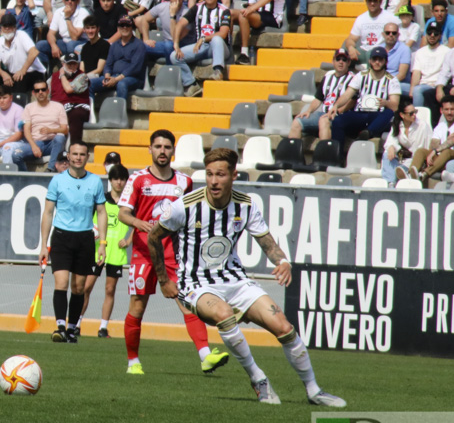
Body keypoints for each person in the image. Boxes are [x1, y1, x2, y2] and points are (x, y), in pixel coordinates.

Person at [150, 148, 346, 407]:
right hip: (196, 284)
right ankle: (258, 379)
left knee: (284, 328)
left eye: (220, 174)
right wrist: (164, 280)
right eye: (209, 174)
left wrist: (283, 261)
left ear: (233, 175)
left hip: (235, 280)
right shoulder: (184, 206)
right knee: (223, 314)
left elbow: (266, 242)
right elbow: (154, 237)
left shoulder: (245, 204)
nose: (214, 181)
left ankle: (313, 390)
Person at [118, 130, 227, 375]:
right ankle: (133, 362)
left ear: (173, 151)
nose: (162, 151)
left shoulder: (184, 182)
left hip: (174, 255)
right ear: (150, 149)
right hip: (144, 253)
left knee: (188, 303)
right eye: (158, 146)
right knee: (137, 306)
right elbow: (123, 213)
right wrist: (138, 223)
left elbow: (192, 214)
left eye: (167, 147)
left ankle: (205, 356)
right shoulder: (138, 179)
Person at [38, 141, 108, 342]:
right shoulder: (57, 181)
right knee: (61, 282)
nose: (78, 157)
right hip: (61, 237)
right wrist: (44, 244)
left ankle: (71, 329)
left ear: (87, 157)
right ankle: (60, 326)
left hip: (85, 238)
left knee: (78, 288)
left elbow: (101, 213)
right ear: (68, 156)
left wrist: (102, 243)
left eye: (82, 154)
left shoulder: (95, 182)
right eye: (74, 154)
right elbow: (48, 212)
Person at [84, 160, 131, 338]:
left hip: (116, 254)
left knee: (110, 290)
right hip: (98, 250)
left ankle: (103, 328)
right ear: (110, 180)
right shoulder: (101, 200)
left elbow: (140, 223)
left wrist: (128, 240)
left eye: (122, 179)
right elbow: (90, 222)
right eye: (116, 179)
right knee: (86, 287)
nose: (119, 182)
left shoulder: (129, 204)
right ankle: (76, 323)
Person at [325, 46, 401, 142]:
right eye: (374, 59)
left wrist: (386, 103)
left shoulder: (392, 80)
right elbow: (347, 94)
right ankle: (337, 152)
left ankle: (367, 133)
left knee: (388, 112)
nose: (377, 62)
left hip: (378, 115)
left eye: (380, 59)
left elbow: (395, 106)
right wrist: (336, 106)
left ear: (386, 62)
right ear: (370, 61)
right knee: (338, 120)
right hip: (360, 113)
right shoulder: (361, 75)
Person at [172, 0, 230, 96]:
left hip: (221, 48)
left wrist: (203, 38)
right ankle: (191, 85)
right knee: (174, 56)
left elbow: (223, 34)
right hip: (202, 47)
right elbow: (180, 24)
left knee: (216, 39)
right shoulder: (197, 8)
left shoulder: (224, 10)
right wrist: (176, 44)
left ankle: (218, 71)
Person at [289, 49, 355, 139]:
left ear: (348, 62)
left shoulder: (353, 79)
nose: (341, 62)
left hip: (341, 115)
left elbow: (352, 100)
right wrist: (309, 111)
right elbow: (318, 99)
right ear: (333, 61)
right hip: (323, 113)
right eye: (338, 59)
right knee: (297, 121)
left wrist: (339, 111)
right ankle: (293, 151)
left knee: (323, 121)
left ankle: (324, 151)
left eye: (344, 60)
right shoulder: (327, 78)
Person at [405, 95, 454, 184]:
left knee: (447, 151)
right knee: (421, 151)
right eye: (446, 109)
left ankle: (424, 174)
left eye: (452, 109)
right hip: (443, 158)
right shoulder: (440, 126)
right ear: (441, 110)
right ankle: (410, 175)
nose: (449, 112)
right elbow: (433, 145)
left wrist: (435, 151)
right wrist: (432, 153)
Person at [15, 80, 68, 171]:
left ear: (48, 91)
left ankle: (50, 169)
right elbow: (26, 130)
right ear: (33, 93)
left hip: (53, 143)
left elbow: (65, 130)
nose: (40, 92)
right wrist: (34, 146)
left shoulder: (58, 106)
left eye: (43, 90)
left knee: (60, 137)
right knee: (16, 155)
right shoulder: (29, 107)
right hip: (36, 142)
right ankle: (25, 178)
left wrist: (51, 130)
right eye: (37, 90)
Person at [380, 96, 431, 187]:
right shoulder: (398, 125)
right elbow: (391, 141)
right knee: (387, 153)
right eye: (411, 113)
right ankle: (390, 184)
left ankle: (396, 180)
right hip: (401, 158)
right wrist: (391, 147)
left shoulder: (422, 126)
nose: (414, 115)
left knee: (399, 169)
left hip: (414, 160)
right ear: (402, 115)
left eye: (415, 112)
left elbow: (423, 148)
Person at [0, 13, 45, 92]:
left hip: (31, 72)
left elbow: (34, 52)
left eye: (10, 26)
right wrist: (3, 74)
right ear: (1, 29)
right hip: (13, 73)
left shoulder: (22, 35)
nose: (7, 29)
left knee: (19, 79)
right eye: (5, 26)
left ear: (15, 28)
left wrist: (22, 70)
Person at [343, 0, 399, 66]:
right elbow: (351, 39)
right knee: (344, 54)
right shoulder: (361, 18)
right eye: (370, 1)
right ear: (366, 2)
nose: (372, 3)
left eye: (375, 1)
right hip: (364, 50)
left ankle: (371, 77)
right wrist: (350, 47)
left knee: (371, 54)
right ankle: (345, 77)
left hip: (381, 51)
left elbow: (400, 34)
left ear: (380, 2)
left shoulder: (390, 17)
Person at [101, 15, 145, 99]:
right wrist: (107, 78)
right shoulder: (114, 45)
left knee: (122, 84)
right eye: (122, 25)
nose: (125, 27)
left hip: (132, 78)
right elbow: (108, 64)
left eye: (128, 25)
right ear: (118, 28)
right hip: (113, 76)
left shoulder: (139, 45)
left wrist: (116, 79)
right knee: (91, 83)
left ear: (132, 27)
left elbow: (134, 68)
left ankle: (119, 111)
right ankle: (89, 110)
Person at [409, 20, 449, 111]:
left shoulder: (447, 52)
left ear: (440, 35)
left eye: (435, 33)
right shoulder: (420, 52)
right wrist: (412, 88)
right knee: (397, 87)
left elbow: (447, 73)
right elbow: (416, 73)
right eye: (429, 32)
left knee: (417, 90)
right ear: (426, 34)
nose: (432, 35)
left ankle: (418, 116)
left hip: (434, 84)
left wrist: (439, 85)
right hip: (421, 84)